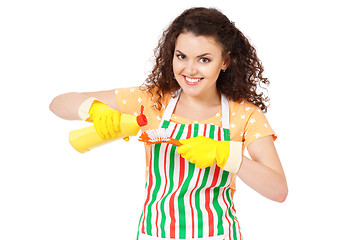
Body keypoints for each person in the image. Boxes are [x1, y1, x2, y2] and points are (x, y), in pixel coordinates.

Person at [50, 7, 288, 240]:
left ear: (225, 61)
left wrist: (225, 154)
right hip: (154, 233)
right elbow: (58, 104)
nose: (190, 70)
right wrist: (92, 109)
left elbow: (278, 190)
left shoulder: (244, 114)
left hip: (218, 234)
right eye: (181, 56)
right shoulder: (152, 100)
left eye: (204, 59)